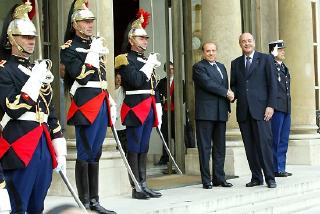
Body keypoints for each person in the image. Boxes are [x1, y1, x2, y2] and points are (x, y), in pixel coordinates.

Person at [0, 1, 67, 213]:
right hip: (19, 145)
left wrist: (59, 145)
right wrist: (34, 81)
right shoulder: (4, 70)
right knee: (20, 207)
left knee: (38, 206)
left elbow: (50, 111)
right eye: (25, 37)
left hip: (43, 145)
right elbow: (13, 107)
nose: (31, 41)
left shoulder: (37, 69)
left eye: (33, 37)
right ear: (12, 38)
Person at [60, 1, 116, 213]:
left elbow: (101, 78)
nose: (90, 24)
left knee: (97, 152)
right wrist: (92, 54)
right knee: (85, 153)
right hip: (85, 104)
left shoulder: (95, 44)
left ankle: (95, 199)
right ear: (75, 24)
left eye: (91, 20)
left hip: (100, 101)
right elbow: (81, 76)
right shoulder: (69, 48)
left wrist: (109, 98)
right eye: (85, 21)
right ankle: (84, 201)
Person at [115, 9, 163, 200]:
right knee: (134, 147)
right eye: (141, 38)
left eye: (146, 38)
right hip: (135, 108)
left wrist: (157, 105)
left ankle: (144, 183)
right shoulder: (125, 59)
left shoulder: (144, 59)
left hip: (148, 106)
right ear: (131, 40)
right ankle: (136, 187)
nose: (145, 41)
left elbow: (152, 86)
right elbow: (135, 81)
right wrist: (149, 64)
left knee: (144, 147)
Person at [230, 33, 278, 188]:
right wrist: (232, 95)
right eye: (243, 41)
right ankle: (256, 177)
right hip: (244, 112)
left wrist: (271, 105)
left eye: (249, 41)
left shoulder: (266, 59)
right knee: (250, 147)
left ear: (254, 42)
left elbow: (273, 85)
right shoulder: (235, 63)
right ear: (240, 44)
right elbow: (235, 85)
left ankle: (270, 177)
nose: (247, 43)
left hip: (262, 111)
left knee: (264, 145)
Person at [192, 42, 233, 189]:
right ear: (203, 53)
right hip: (205, 113)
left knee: (220, 147)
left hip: (220, 112)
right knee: (205, 148)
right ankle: (206, 180)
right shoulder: (198, 67)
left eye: (213, 50)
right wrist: (227, 93)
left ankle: (219, 178)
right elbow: (208, 84)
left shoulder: (221, 66)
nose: (211, 53)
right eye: (208, 51)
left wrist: (227, 108)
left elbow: (225, 85)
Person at [268, 40, 292, 177]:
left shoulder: (284, 67)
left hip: (286, 107)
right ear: (273, 51)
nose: (283, 52)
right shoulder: (270, 66)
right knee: (275, 139)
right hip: (276, 108)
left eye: (283, 49)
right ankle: (275, 168)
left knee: (283, 139)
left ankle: (281, 167)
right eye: (280, 49)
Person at [157, 61, 175, 165]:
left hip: (176, 112)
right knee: (165, 135)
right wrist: (162, 98)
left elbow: (184, 96)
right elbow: (157, 94)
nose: (170, 71)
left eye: (172, 69)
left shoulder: (180, 81)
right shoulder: (162, 82)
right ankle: (165, 157)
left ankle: (177, 158)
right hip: (165, 111)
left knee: (176, 135)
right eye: (168, 69)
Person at [114, 72, 127, 155]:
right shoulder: (112, 89)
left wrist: (115, 115)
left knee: (122, 139)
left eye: (120, 78)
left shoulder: (121, 89)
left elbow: (119, 103)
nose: (119, 80)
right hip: (114, 117)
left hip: (119, 117)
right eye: (117, 78)